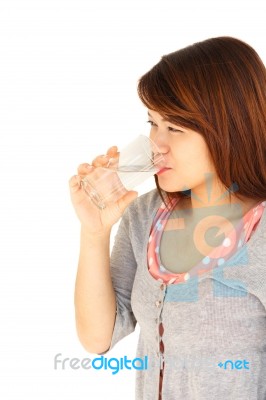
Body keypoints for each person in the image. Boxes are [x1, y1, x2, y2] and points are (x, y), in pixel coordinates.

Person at [69, 36, 266, 400]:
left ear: (229, 128)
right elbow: (98, 337)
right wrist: (94, 231)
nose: (157, 144)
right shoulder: (145, 214)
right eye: (153, 122)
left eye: (175, 128)